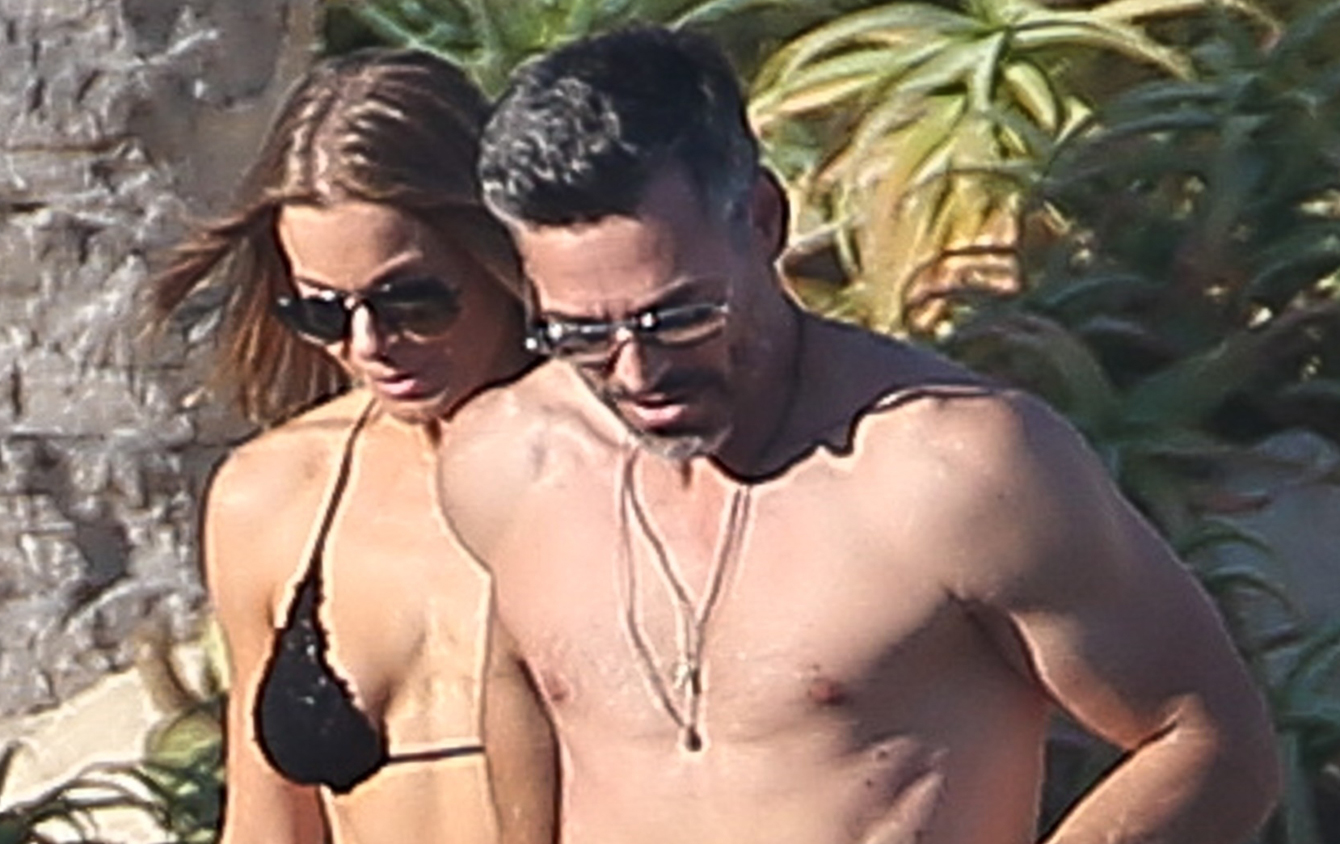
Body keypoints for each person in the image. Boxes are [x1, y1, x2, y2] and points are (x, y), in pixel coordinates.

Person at [437, 26, 1281, 844]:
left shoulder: (955, 468)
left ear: (762, 220)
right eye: (582, 333)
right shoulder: (507, 463)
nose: (636, 372)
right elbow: (526, 691)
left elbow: (1212, 745)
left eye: (680, 316)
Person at [146, 49, 545, 844]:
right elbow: (267, 825)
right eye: (322, 311)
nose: (368, 345)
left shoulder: (618, 468)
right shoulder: (273, 499)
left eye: (412, 301)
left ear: (496, 250)